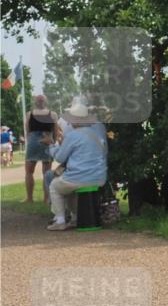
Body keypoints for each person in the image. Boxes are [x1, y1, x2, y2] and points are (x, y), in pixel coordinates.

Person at [46, 100, 108, 231]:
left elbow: (60, 157)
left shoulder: (73, 135)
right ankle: (75, 218)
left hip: (80, 177)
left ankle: (60, 220)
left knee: (55, 187)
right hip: (99, 177)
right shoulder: (96, 133)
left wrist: (52, 144)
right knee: (70, 189)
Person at [24, 94, 57, 204]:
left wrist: (31, 140)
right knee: (46, 172)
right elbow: (55, 131)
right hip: (47, 140)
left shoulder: (29, 114)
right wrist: (54, 142)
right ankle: (46, 199)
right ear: (45, 102)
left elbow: (28, 130)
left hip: (33, 142)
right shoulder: (52, 114)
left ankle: (29, 198)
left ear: (35, 102)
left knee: (29, 171)